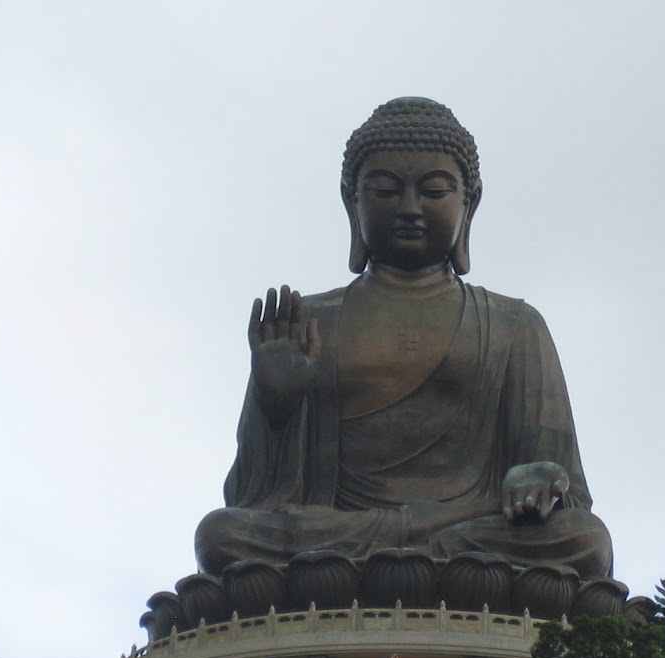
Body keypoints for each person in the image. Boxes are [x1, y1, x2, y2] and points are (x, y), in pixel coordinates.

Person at [192, 97, 613, 581]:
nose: (410, 208)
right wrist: (276, 409)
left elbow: (561, 483)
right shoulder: (309, 321)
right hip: (340, 534)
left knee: (584, 540)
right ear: (353, 203)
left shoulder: (514, 324)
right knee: (222, 536)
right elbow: (252, 500)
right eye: (386, 191)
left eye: (434, 191)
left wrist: (540, 477)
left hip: (468, 530)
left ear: (468, 204)